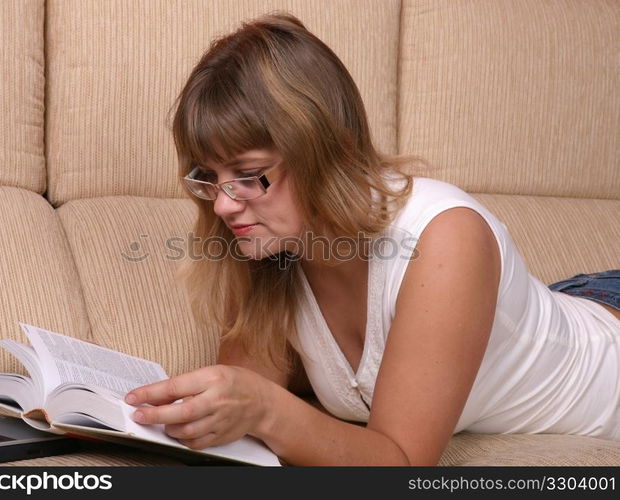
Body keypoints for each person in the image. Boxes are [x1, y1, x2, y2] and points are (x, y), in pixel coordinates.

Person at [124, 13, 620, 465]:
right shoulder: (266, 246)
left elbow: (400, 467)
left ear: (323, 150)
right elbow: (239, 423)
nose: (223, 204)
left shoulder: (444, 236)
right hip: (567, 300)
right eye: (209, 176)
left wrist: (266, 409)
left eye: (249, 174)